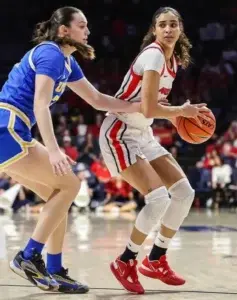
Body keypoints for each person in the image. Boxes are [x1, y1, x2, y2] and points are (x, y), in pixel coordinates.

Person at [0, 6, 141, 294]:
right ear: (64, 30)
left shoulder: (67, 62)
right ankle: (28, 257)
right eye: (82, 25)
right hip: (7, 126)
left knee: (59, 197)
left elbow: (98, 100)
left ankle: (54, 270)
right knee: (70, 185)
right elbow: (41, 104)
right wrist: (53, 150)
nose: (87, 31)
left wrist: (140, 108)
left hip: (14, 131)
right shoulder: (50, 53)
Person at [99, 6, 210, 294]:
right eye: (163, 25)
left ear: (181, 28)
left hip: (142, 131)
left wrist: (179, 114)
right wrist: (180, 112)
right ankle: (126, 260)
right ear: (155, 30)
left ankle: (156, 258)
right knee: (158, 198)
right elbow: (149, 107)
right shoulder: (153, 55)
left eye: (173, 24)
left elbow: (149, 110)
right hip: (119, 132)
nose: (169, 29)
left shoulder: (173, 61)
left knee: (184, 193)